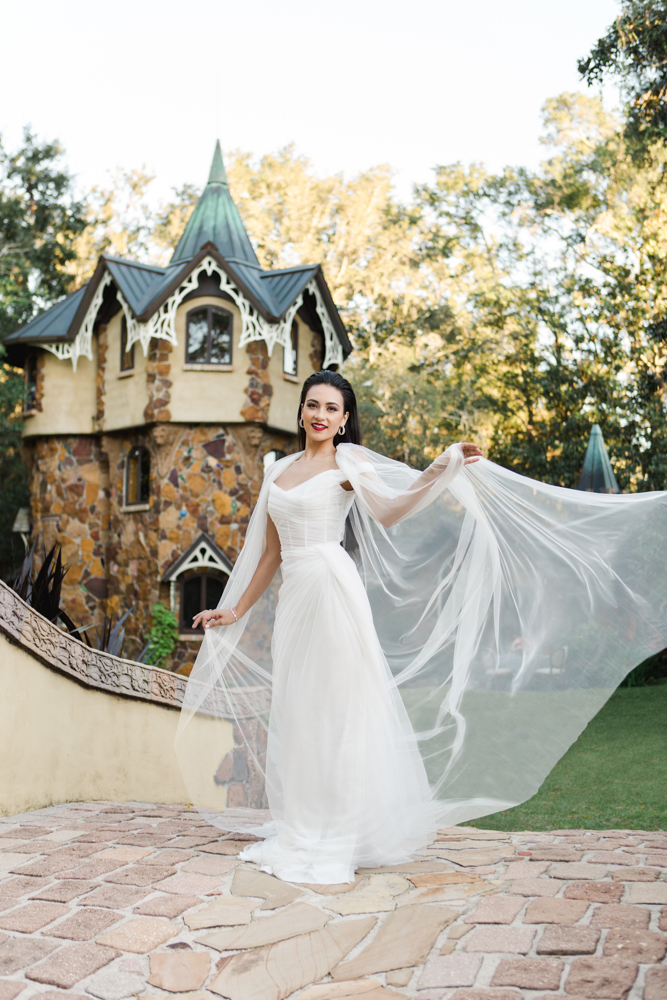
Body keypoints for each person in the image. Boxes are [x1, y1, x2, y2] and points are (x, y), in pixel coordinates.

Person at [176, 370, 667, 884]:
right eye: (313, 405)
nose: (320, 415)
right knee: (301, 710)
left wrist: (441, 469)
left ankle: (339, 837)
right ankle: (303, 827)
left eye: (331, 409)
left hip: (331, 588)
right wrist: (235, 610)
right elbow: (272, 553)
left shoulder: (350, 461)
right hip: (295, 599)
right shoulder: (279, 472)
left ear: (344, 421)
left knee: (340, 711)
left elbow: (389, 512)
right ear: (301, 411)